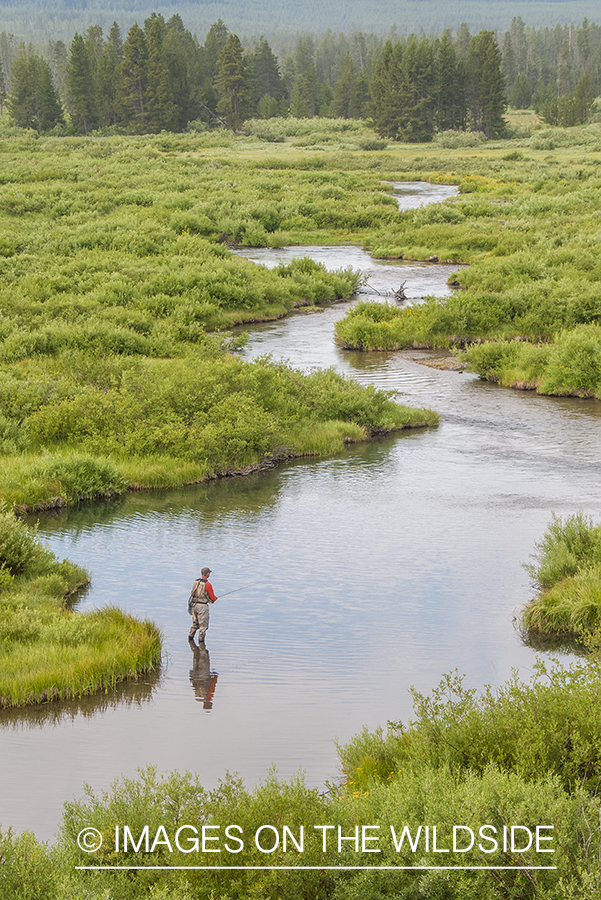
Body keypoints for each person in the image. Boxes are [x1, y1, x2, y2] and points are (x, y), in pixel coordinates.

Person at [188, 567, 217, 644]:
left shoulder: (195, 582)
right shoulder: (207, 584)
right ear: (207, 574)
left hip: (194, 605)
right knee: (203, 627)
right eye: (209, 573)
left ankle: (190, 639)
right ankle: (201, 644)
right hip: (202, 607)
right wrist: (215, 599)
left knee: (195, 624)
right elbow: (212, 597)